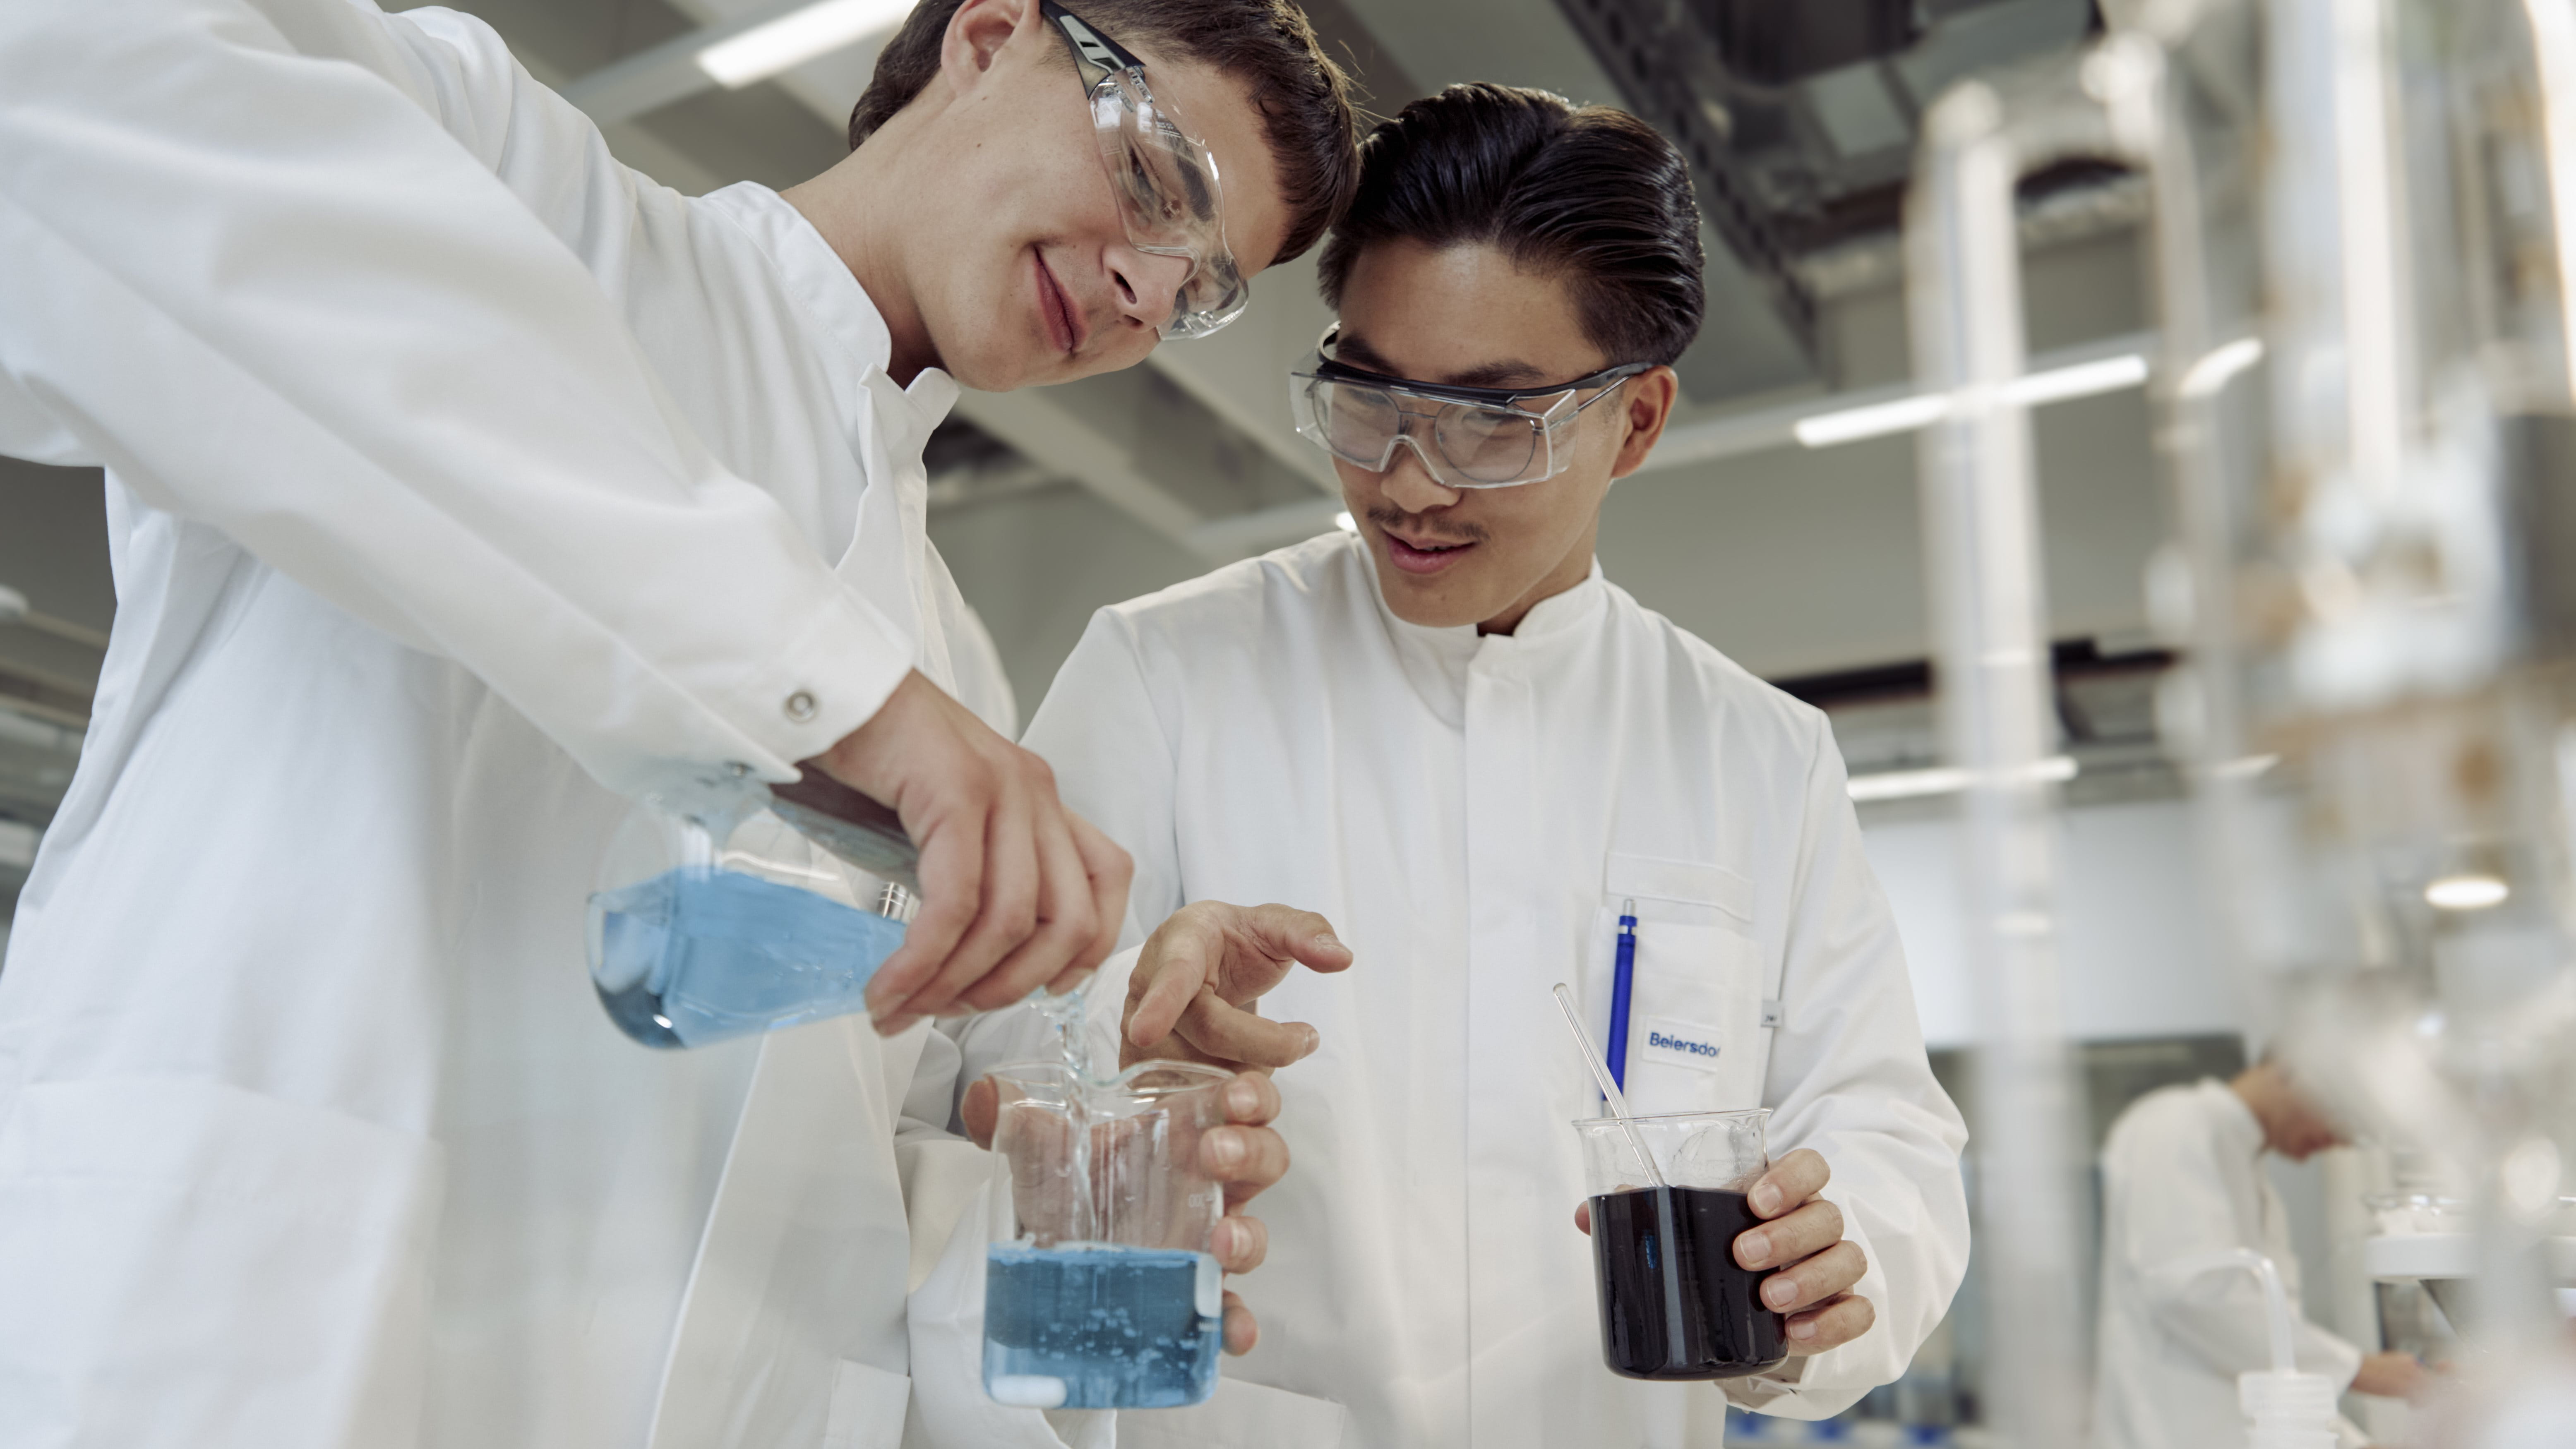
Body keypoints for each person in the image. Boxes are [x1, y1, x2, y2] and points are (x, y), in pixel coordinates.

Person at [0, 0, 1354, 1445]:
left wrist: (1085, 1116)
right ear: (988, 36)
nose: (1147, 291)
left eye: (1200, 289)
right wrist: (825, 687)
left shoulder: (953, 662)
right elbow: (64, 93)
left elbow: (850, 1172)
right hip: (270, 1349)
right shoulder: (509, 180)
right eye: (1155, 180)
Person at [963, 84, 1972, 1446]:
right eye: (1368, 395)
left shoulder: (1759, 755)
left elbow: (1883, 1126)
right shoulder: (1163, 672)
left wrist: (1837, 1252)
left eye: (1492, 418)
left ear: (1637, 420)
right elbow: (978, 1046)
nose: (1408, 481)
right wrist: (1119, 1023)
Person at [2095, 1058, 2432, 1449]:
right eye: (2347, 1113)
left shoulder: (2258, 1184)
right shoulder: (2175, 1123)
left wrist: (2354, 1443)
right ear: (2294, 1067)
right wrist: (2361, 1369)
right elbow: (2194, 1293)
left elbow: (2272, 1365)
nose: (2342, 1140)